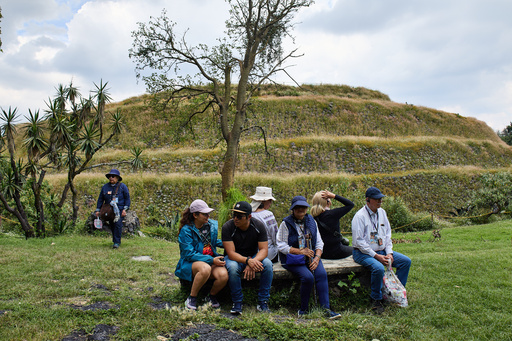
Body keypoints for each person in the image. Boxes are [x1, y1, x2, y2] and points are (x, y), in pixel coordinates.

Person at [277, 196, 341, 319]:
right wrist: (299, 251)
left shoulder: (312, 221)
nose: (301, 210)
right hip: (293, 259)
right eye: (297, 207)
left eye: (303, 207)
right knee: (307, 277)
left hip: (311, 257)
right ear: (293, 209)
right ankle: (303, 309)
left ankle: (325, 309)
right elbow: (281, 245)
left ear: (307, 208)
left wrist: (317, 258)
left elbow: (319, 242)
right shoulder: (286, 224)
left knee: (321, 274)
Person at [351, 187, 412, 314]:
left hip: (382, 250)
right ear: (368, 200)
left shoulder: (382, 213)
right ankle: (376, 300)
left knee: (405, 261)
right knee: (378, 268)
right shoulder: (359, 216)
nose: (380, 201)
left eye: (381, 198)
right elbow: (358, 241)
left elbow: (387, 234)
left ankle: (396, 293)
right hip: (363, 253)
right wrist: (376, 256)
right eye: (377, 199)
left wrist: (389, 252)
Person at [174, 199, 228, 310]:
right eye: (204, 214)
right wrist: (212, 260)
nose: (208, 216)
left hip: (209, 260)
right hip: (191, 263)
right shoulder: (186, 231)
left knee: (223, 275)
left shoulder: (210, 226)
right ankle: (192, 298)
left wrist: (229, 244)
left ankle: (210, 296)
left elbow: (213, 242)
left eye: (208, 213)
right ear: (195, 215)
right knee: (205, 269)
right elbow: (189, 254)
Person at [222, 201, 273, 315]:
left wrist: (253, 261)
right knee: (233, 267)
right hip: (235, 257)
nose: (236, 218)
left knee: (268, 265)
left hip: (253, 256)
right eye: (234, 215)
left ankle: (263, 301)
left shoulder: (258, 226)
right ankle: (237, 302)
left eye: (239, 216)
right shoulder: (228, 227)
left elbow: (264, 250)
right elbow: (231, 253)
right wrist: (248, 261)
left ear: (249, 217)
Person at [310, 190, 354, 259]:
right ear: (328, 202)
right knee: (357, 251)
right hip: (336, 251)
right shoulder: (332, 214)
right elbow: (350, 204)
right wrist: (334, 196)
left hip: (321, 253)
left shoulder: (312, 217)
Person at [95, 169, 130, 249]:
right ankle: (115, 240)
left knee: (118, 224)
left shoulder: (123, 187)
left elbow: (127, 198)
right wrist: (98, 210)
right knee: (112, 225)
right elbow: (100, 199)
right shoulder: (105, 187)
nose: (111, 178)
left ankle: (116, 242)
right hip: (109, 210)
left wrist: (125, 209)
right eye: (110, 176)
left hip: (119, 210)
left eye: (113, 176)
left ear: (117, 178)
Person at [249, 186, 279, 263]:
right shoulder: (268, 215)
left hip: (249, 254)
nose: (270, 204)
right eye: (270, 201)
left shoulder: (247, 214)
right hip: (268, 254)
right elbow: (275, 236)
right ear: (265, 201)